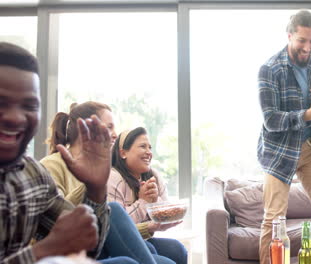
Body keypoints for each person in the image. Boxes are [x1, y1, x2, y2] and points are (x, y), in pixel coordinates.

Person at [0, 42, 112, 263]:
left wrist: (96, 188)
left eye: (29, 106)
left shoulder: (33, 175)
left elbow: (86, 246)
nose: (15, 117)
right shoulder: (52, 165)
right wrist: (43, 251)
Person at [40, 101, 175, 264]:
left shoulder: (105, 169)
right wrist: (91, 184)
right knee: (116, 212)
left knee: (173, 252)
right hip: (65, 250)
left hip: (97, 243)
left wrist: (149, 226)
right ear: (85, 127)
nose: (115, 135)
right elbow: (54, 222)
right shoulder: (52, 165)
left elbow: (110, 227)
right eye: (109, 127)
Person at [257, 10, 311, 264]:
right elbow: (271, 120)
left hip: (310, 146)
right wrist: (308, 113)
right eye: (302, 41)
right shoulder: (270, 69)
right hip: (279, 149)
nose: (307, 48)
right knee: (275, 218)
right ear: (290, 35)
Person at [108, 127, 188, 264]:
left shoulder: (153, 175)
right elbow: (117, 227)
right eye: (142, 146)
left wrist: (155, 199)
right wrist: (143, 202)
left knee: (178, 249)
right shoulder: (113, 178)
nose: (149, 152)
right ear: (123, 153)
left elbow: (166, 213)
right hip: (120, 244)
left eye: (149, 147)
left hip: (145, 238)